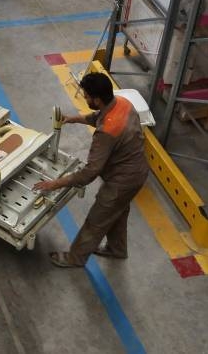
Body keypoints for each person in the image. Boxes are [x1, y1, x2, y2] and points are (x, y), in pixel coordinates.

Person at [34, 72, 149, 268]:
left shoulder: (107, 133)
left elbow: (90, 172)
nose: (85, 98)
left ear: (97, 99)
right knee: (117, 212)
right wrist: (72, 119)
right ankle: (117, 249)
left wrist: (55, 184)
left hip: (122, 180)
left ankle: (75, 258)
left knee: (96, 221)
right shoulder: (122, 103)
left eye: (86, 96)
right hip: (138, 170)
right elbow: (99, 116)